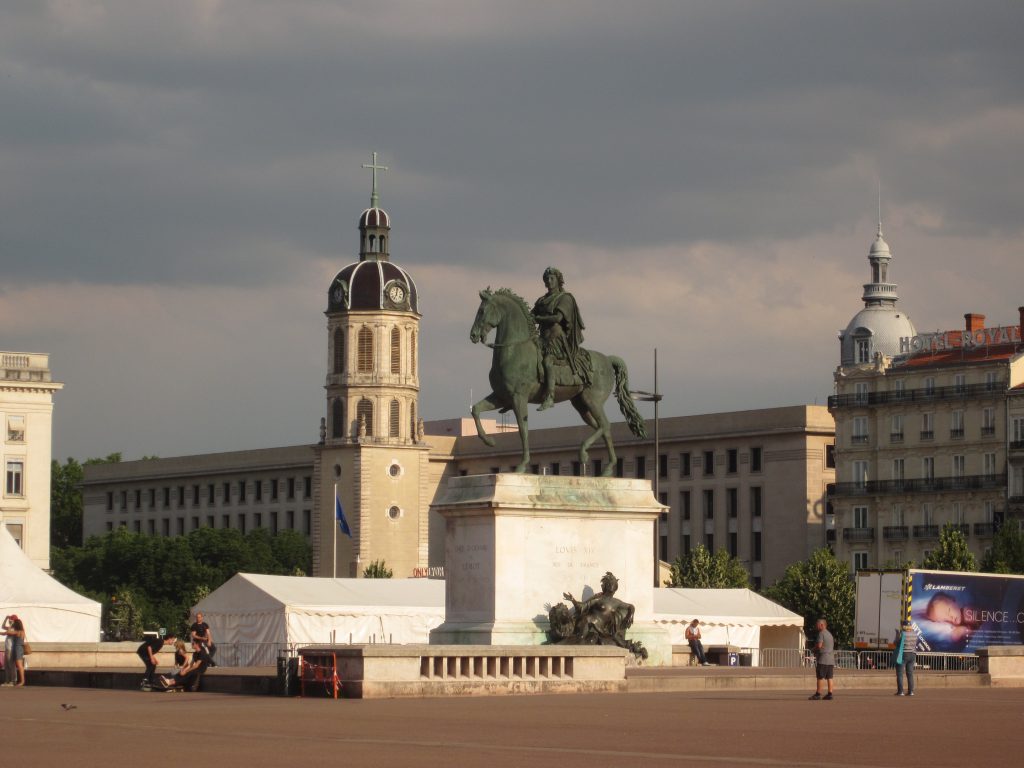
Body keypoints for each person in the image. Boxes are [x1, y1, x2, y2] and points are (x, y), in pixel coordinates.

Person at [531, 267, 590, 411]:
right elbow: (530, 316)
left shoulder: (565, 298)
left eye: (552, 278)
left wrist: (538, 318)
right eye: (547, 279)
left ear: (558, 280)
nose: (549, 281)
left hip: (558, 341)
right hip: (542, 338)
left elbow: (558, 318)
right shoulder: (542, 300)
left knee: (548, 361)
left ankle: (550, 397)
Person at [808, 618, 835, 700]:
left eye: (817, 625)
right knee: (829, 677)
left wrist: (813, 649)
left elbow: (819, 645)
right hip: (831, 659)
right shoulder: (830, 634)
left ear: (822, 625)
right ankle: (830, 694)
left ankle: (818, 694)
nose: (816, 626)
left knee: (820, 677)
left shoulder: (821, 633)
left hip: (823, 658)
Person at [894, 620, 919, 697]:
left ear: (903, 626)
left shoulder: (902, 633)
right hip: (912, 654)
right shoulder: (915, 634)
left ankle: (900, 691)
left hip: (903, 654)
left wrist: (897, 634)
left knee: (900, 673)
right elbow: (916, 643)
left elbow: (895, 643)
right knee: (910, 674)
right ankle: (911, 691)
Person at [1, 615, 26, 687]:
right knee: (7, 665)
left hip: (12, 648)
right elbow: (3, 627)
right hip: (11, 648)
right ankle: (8, 680)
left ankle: (13, 680)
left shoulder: (16, 630)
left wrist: (11, 624)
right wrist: (5, 618)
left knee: (12, 665)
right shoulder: (15, 629)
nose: (10, 622)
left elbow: (6, 632)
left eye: (11, 621)